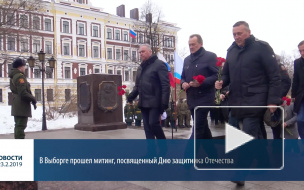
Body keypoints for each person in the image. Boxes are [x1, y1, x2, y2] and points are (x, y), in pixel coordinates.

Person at [215, 21, 281, 139]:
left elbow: (274, 75)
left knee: (248, 134)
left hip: (256, 101)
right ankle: (263, 157)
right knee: (254, 134)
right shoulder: (231, 51)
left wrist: (273, 100)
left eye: (239, 33)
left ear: (249, 32)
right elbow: (226, 75)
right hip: (236, 102)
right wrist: (221, 82)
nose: (236, 37)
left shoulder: (262, 48)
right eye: (234, 34)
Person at [127, 44, 170, 139]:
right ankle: (151, 151)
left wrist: (164, 103)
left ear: (150, 52)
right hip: (143, 102)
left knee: (153, 124)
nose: (141, 54)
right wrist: (131, 97)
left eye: (143, 51)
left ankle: (164, 146)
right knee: (147, 128)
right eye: (140, 52)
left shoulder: (159, 64)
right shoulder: (140, 67)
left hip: (155, 101)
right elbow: (138, 86)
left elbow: (165, 85)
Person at [181, 34, 218, 139]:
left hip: (205, 98)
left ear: (201, 44)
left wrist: (202, 82)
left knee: (197, 129)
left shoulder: (210, 56)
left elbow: (217, 75)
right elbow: (183, 76)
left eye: (193, 44)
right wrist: (183, 83)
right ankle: (213, 154)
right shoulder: (187, 60)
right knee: (203, 129)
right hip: (192, 99)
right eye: (189, 45)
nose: (191, 47)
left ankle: (188, 154)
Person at [9, 58, 37, 139]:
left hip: (18, 104)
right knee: (20, 126)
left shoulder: (14, 76)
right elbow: (23, 93)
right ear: (20, 67)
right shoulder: (19, 77)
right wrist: (33, 98)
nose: (25, 68)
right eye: (24, 66)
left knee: (18, 125)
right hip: (21, 105)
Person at [291, 40, 304, 139]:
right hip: (301, 96)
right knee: (300, 120)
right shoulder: (297, 62)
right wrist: (293, 95)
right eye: (300, 51)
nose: (302, 53)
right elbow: (295, 80)